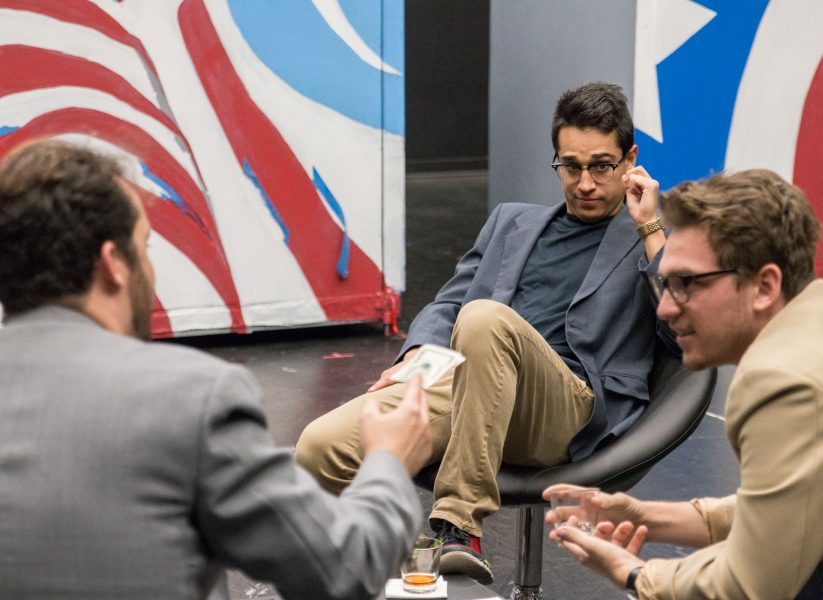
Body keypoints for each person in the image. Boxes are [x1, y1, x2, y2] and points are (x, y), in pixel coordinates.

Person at [0, 139, 433, 600]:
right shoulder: (190, 398)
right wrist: (388, 460)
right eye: (144, 246)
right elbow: (345, 567)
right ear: (113, 266)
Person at [295, 82, 675, 583]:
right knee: (317, 448)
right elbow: (450, 301)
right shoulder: (511, 222)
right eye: (570, 166)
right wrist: (415, 354)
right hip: (474, 385)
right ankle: (410, 555)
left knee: (484, 318)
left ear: (631, 160)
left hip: (567, 405)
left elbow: (681, 327)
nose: (585, 182)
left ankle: (458, 526)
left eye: (602, 166)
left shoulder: (652, 235)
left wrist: (650, 227)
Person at [545, 169, 823, 599]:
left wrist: (637, 576)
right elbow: (785, 509)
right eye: (665, 283)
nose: (665, 309)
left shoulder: (785, 380)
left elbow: (752, 585)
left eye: (685, 284)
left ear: (764, 286)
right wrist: (645, 516)